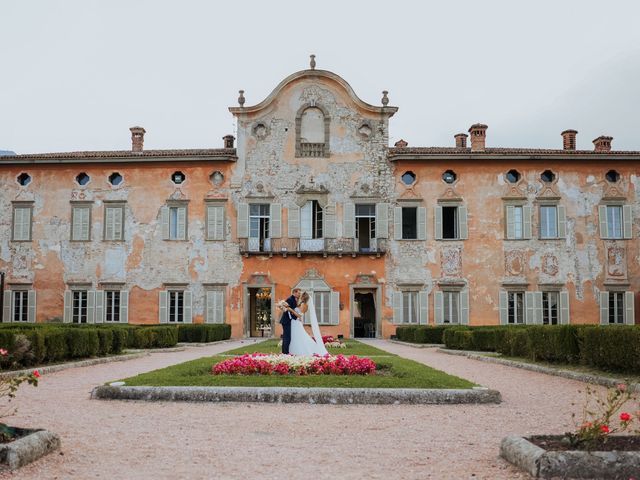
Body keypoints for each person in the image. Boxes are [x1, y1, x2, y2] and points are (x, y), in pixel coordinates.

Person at [283, 291, 329, 356]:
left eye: (300, 295)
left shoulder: (303, 305)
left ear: (303, 297)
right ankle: (291, 351)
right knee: (296, 336)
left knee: (297, 336)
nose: (299, 295)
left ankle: (295, 351)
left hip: (296, 322)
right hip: (295, 322)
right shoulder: (303, 304)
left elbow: (299, 315)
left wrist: (290, 309)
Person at [279, 288, 300, 354]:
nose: (299, 294)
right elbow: (285, 308)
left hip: (289, 320)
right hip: (286, 321)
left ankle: (284, 352)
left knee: (287, 337)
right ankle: (285, 352)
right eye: (298, 293)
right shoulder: (290, 299)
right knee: (287, 337)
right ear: (294, 292)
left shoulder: (294, 299)